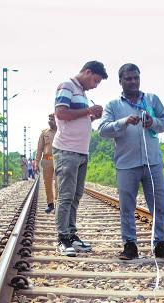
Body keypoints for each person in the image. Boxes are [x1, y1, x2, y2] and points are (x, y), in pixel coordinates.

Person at [98, 63, 164, 261]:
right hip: (126, 163)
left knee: (160, 205)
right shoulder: (113, 105)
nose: (133, 82)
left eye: (136, 78)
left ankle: (161, 244)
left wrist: (153, 123)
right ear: (120, 81)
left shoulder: (152, 99)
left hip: (153, 162)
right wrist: (123, 122)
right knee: (127, 206)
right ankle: (130, 245)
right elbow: (103, 130)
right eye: (128, 79)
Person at [53, 60, 107, 256]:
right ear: (87, 72)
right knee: (66, 196)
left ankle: (72, 234)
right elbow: (61, 113)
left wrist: (92, 117)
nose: (95, 85)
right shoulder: (67, 86)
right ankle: (62, 238)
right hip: (67, 150)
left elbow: (76, 117)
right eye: (95, 80)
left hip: (81, 152)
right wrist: (89, 111)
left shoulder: (82, 93)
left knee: (75, 196)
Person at [36, 113, 58, 213]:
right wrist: (36, 162)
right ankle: (50, 204)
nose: (50, 121)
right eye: (49, 119)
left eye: (52, 119)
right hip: (47, 160)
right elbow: (39, 148)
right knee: (47, 182)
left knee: (59, 183)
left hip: (59, 159)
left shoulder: (62, 131)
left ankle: (58, 203)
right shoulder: (44, 133)